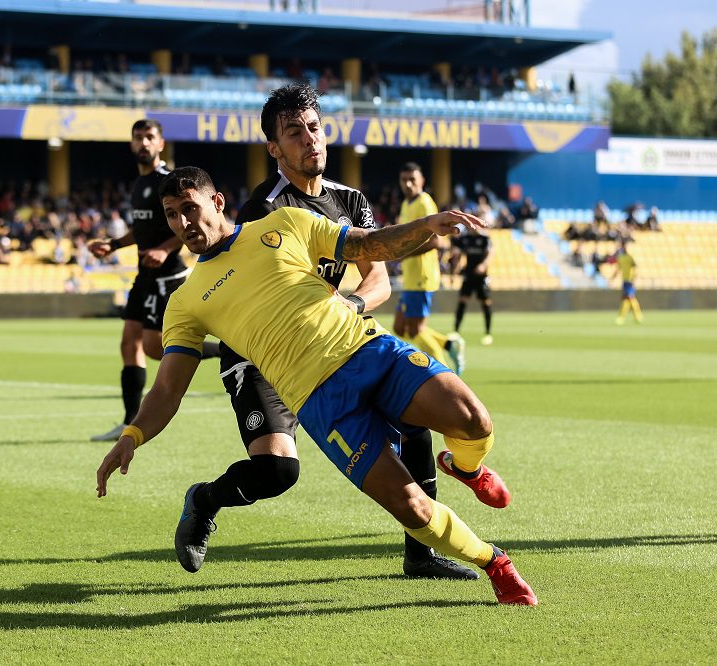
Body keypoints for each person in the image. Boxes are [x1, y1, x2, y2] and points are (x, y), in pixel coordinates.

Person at [97, 166, 536, 606]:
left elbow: (367, 245)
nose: (182, 223)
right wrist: (133, 435)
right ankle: (494, 562)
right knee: (412, 508)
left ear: (217, 203)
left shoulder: (283, 223)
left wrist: (424, 226)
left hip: (369, 350)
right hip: (322, 403)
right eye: (172, 214)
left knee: (474, 420)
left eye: (189, 208)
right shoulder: (186, 302)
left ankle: (466, 468)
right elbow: (168, 390)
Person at [214, 83, 474, 580]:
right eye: (294, 133)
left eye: (314, 127)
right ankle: (205, 501)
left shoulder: (350, 200)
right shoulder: (265, 212)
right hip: (266, 359)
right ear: (274, 148)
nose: (310, 139)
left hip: (332, 344)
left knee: (413, 423)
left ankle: (419, 556)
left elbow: (377, 277)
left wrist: (349, 303)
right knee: (277, 472)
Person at [88, 119, 218, 441]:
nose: (143, 143)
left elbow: (187, 223)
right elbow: (142, 230)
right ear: (131, 144)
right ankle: (130, 421)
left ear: (161, 144)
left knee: (152, 346)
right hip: (144, 276)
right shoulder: (138, 185)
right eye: (138, 138)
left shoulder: (167, 182)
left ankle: (223, 350)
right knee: (128, 343)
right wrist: (114, 244)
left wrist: (163, 250)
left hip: (167, 276)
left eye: (149, 137)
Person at [391, 163, 466, 374]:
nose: (407, 184)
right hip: (410, 276)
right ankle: (449, 345)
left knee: (415, 330)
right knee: (400, 328)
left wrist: (403, 253)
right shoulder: (407, 204)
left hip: (422, 276)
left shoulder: (425, 203)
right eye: (404, 179)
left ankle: (445, 376)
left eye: (412, 180)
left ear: (422, 180)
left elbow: (436, 242)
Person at [451, 224, 494, 345]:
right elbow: (458, 254)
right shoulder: (465, 239)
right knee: (462, 301)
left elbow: (490, 253)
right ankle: (456, 331)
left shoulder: (485, 238)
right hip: (469, 275)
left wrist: (483, 265)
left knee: (485, 303)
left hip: (481, 277)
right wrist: (454, 272)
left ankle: (488, 333)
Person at [611, 241, 643, 325]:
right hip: (625, 281)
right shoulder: (621, 258)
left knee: (628, 298)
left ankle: (622, 317)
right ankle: (637, 316)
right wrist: (612, 277)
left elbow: (635, 267)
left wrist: (634, 278)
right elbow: (618, 269)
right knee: (628, 298)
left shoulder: (630, 257)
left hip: (630, 281)